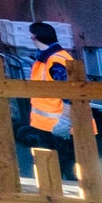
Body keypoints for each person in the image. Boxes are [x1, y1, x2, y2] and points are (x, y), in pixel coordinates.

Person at [23, 21, 81, 177]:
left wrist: (65, 121)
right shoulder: (47, 60)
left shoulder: (55, 61)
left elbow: (69, 93)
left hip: (59, 126)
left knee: (65, 170)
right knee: (57, 169)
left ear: (34, 37)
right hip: (49, 126)